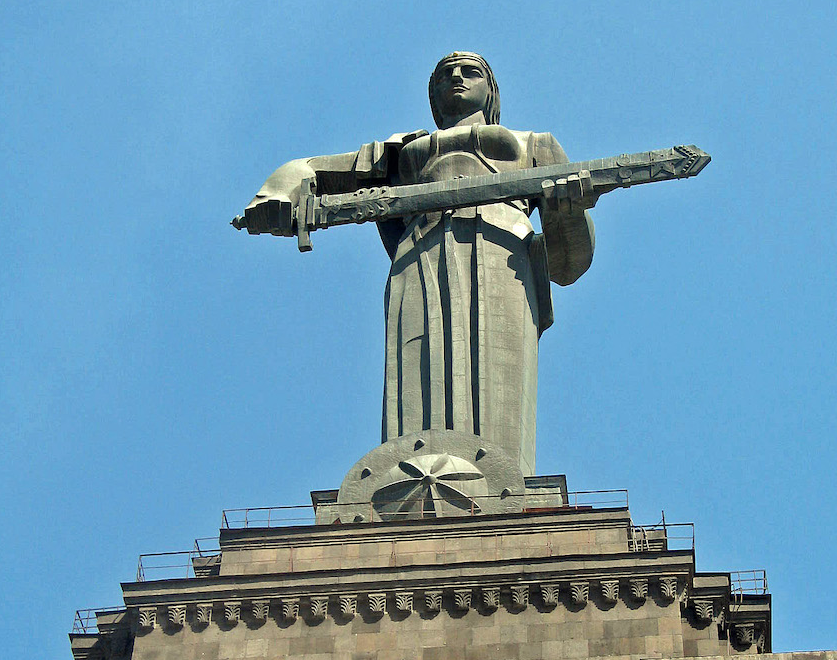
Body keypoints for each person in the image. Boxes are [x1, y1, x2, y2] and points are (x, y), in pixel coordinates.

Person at [242, 52, 595, 476]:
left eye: (470, 73)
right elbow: (308, 168)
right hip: (419, 249)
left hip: (501, 249)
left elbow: (569, 263)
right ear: (433, 94)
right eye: (446, 76)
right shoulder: (402, 151)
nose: (457, 80)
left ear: (491, 89)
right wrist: (276, 194)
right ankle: (405, 475)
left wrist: (566, 211)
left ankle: (500, 479)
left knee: (494, 371)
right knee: (418, 361)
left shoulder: (534, 144)